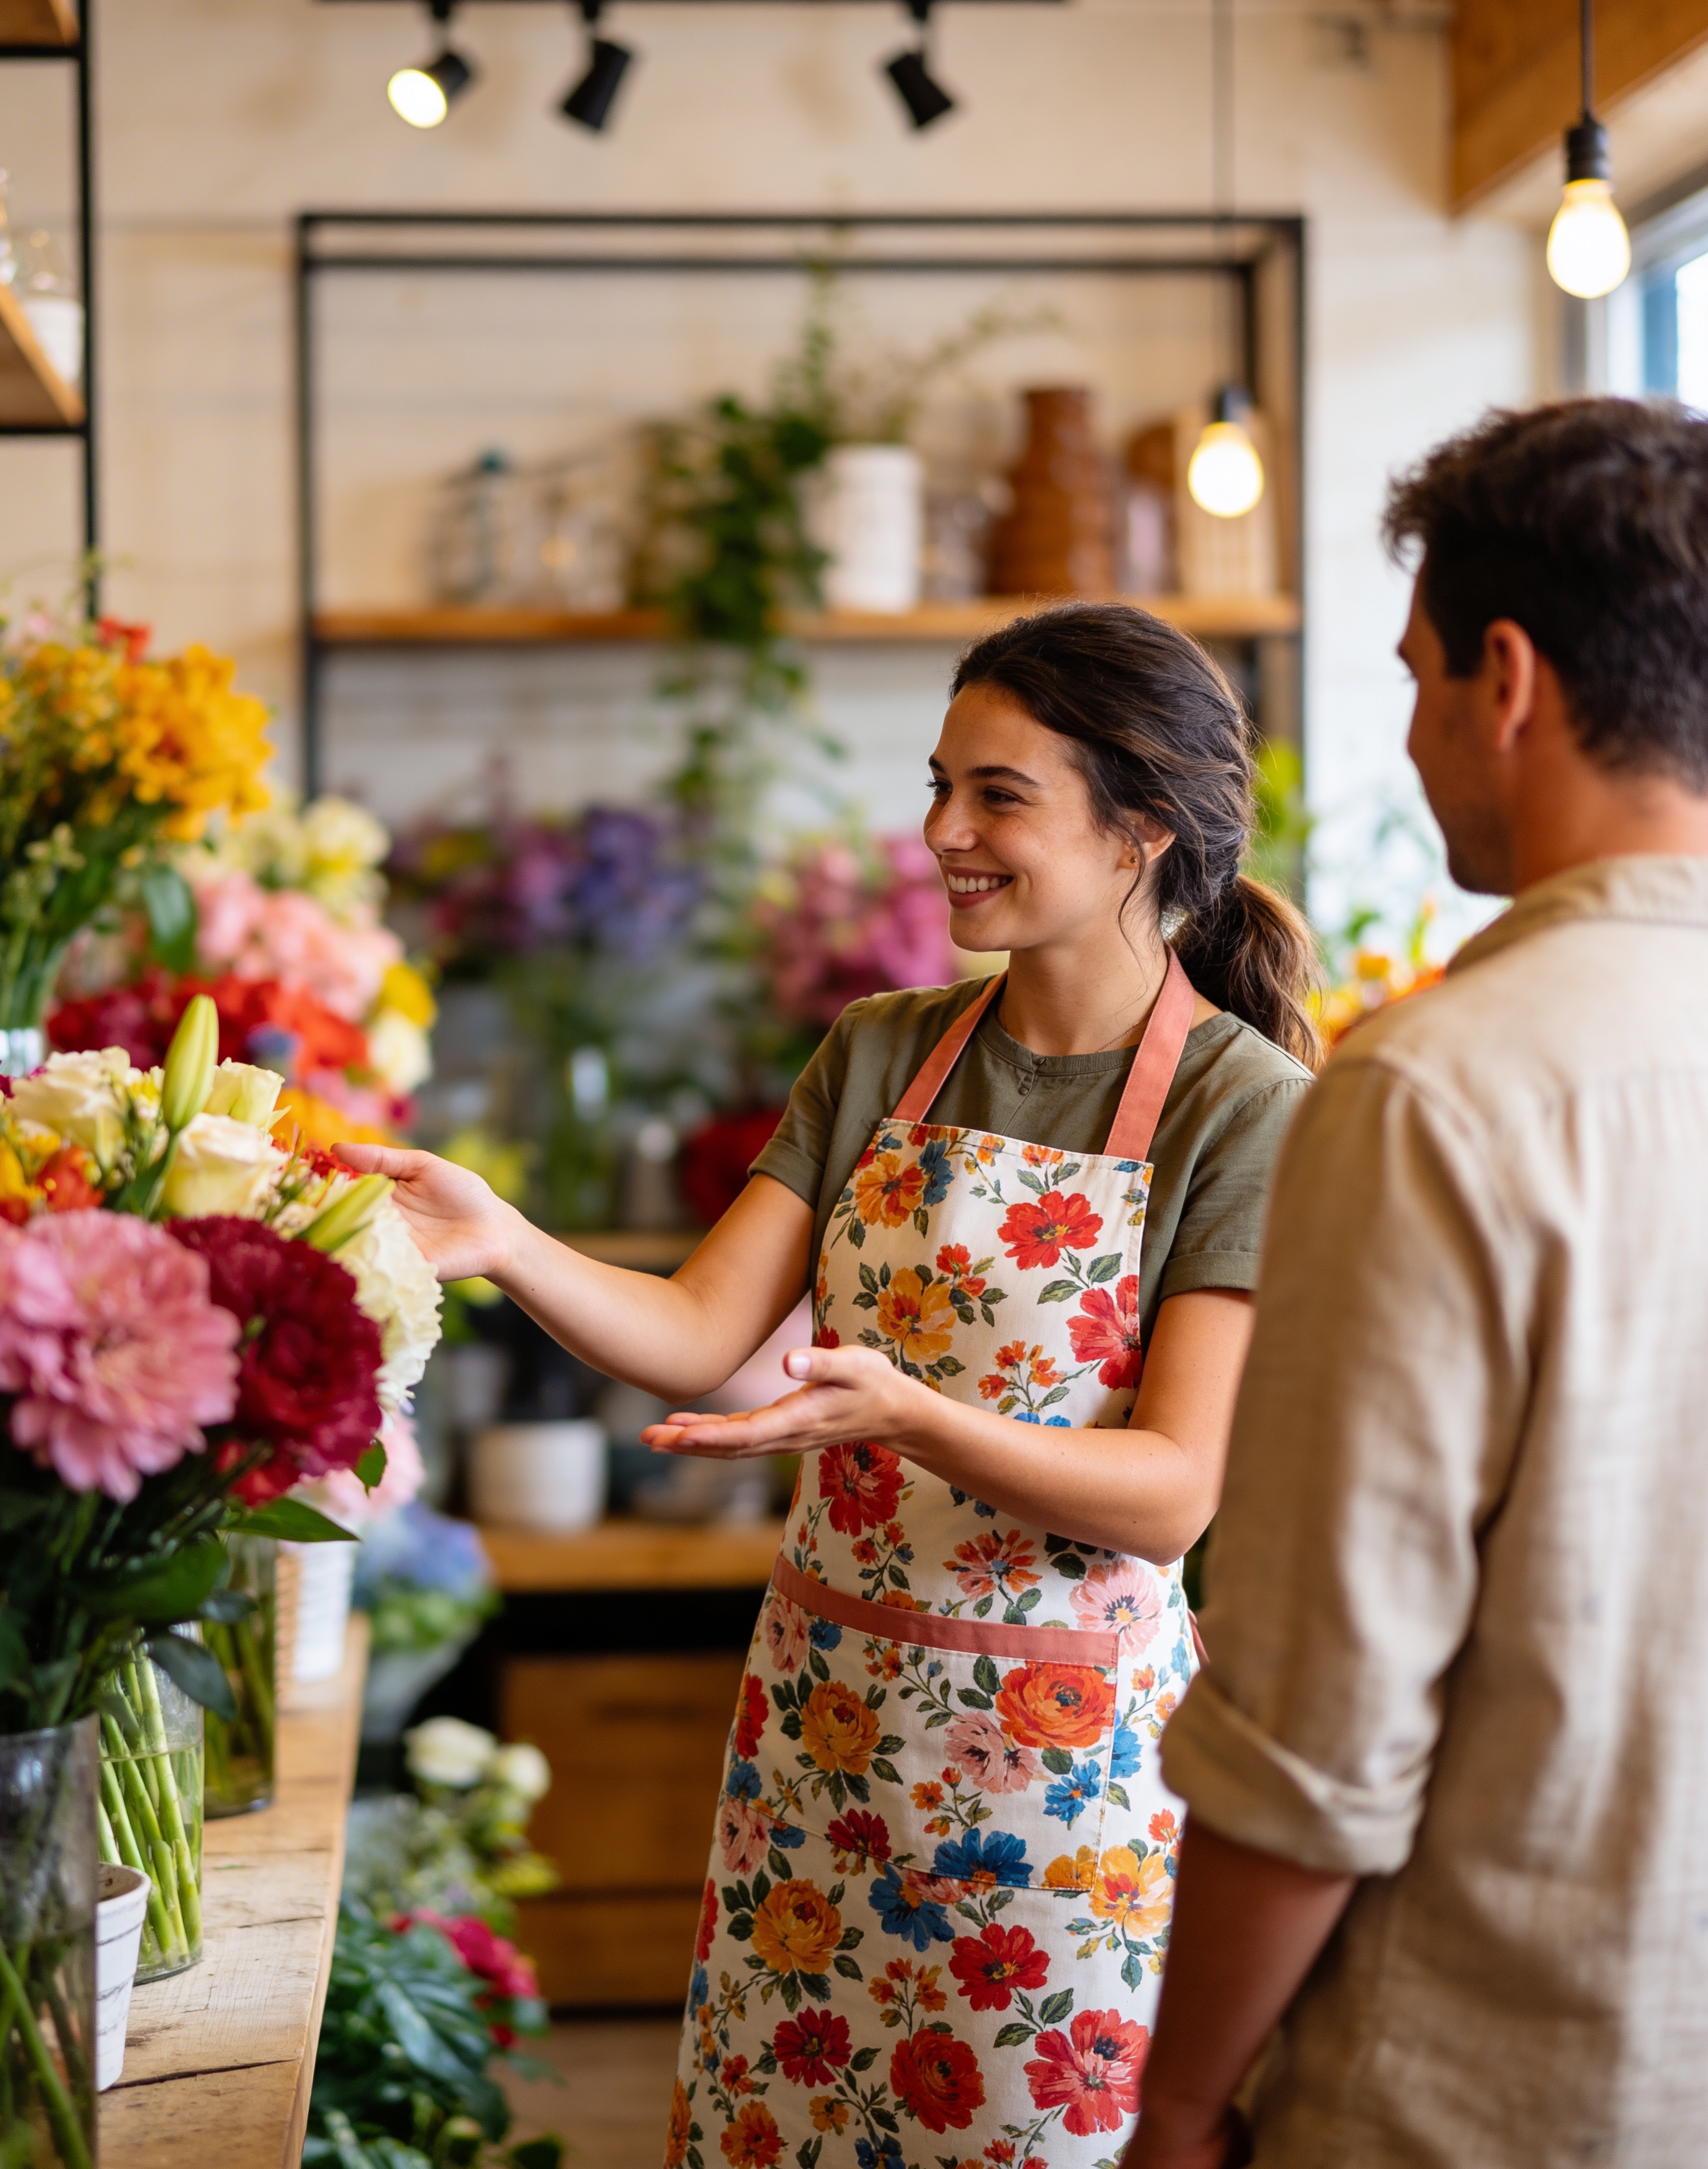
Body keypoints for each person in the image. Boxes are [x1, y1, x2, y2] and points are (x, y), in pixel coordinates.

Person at [342, 603, 1320, 2167]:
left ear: (1143, 828)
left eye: (999, 796)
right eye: (941, 785)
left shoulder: (1241, 1105)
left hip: (1064, 1802)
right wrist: (507, 1239)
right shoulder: (881, 1051)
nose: (942, 834)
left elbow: (1171, 1491)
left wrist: (910, 1416)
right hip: (826, 1739)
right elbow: (697, 1325)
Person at [1126, 397, 1708, 2169]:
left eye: (1416, 670)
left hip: (1481, 2080)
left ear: (1507, 680)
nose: (1413, 723)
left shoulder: (1437, 1087)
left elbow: (1319, 1726)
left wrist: (1174, 2107)